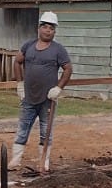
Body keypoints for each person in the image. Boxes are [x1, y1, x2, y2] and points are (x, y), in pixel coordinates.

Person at [9, 11, 72, 172]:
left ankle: (43, 161)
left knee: (46, 131)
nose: (47, 30)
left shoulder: (58, 50)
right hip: (28, 97)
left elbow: (68, 69)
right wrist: (20, 84)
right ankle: (15, 161)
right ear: (39, 28)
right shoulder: (28, 46)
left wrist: (58, 88)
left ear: (54, 31)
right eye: (45, 27)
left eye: (51, 28)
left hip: (47, 99)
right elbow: (17, 62)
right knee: (23, 128)